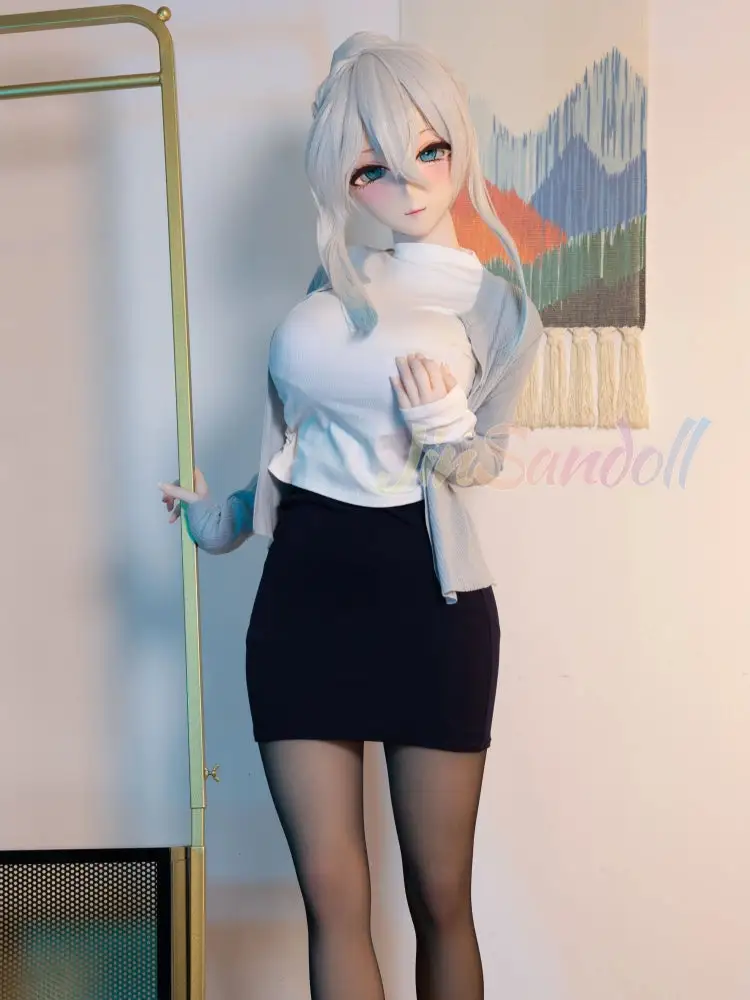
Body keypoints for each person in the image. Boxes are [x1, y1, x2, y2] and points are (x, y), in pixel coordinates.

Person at [159, 31, 543, 1000]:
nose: (408, 184)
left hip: (431, 605)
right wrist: (218, 521)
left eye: (430, 151)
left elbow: (481, 460)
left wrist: (445, 427)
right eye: (372, 168)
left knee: (439, 897)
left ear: (457, 145)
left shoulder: (500, 309)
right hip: (302, 601)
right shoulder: (331, 284)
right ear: (341, 177)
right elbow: (299, 453)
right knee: (332, 901)